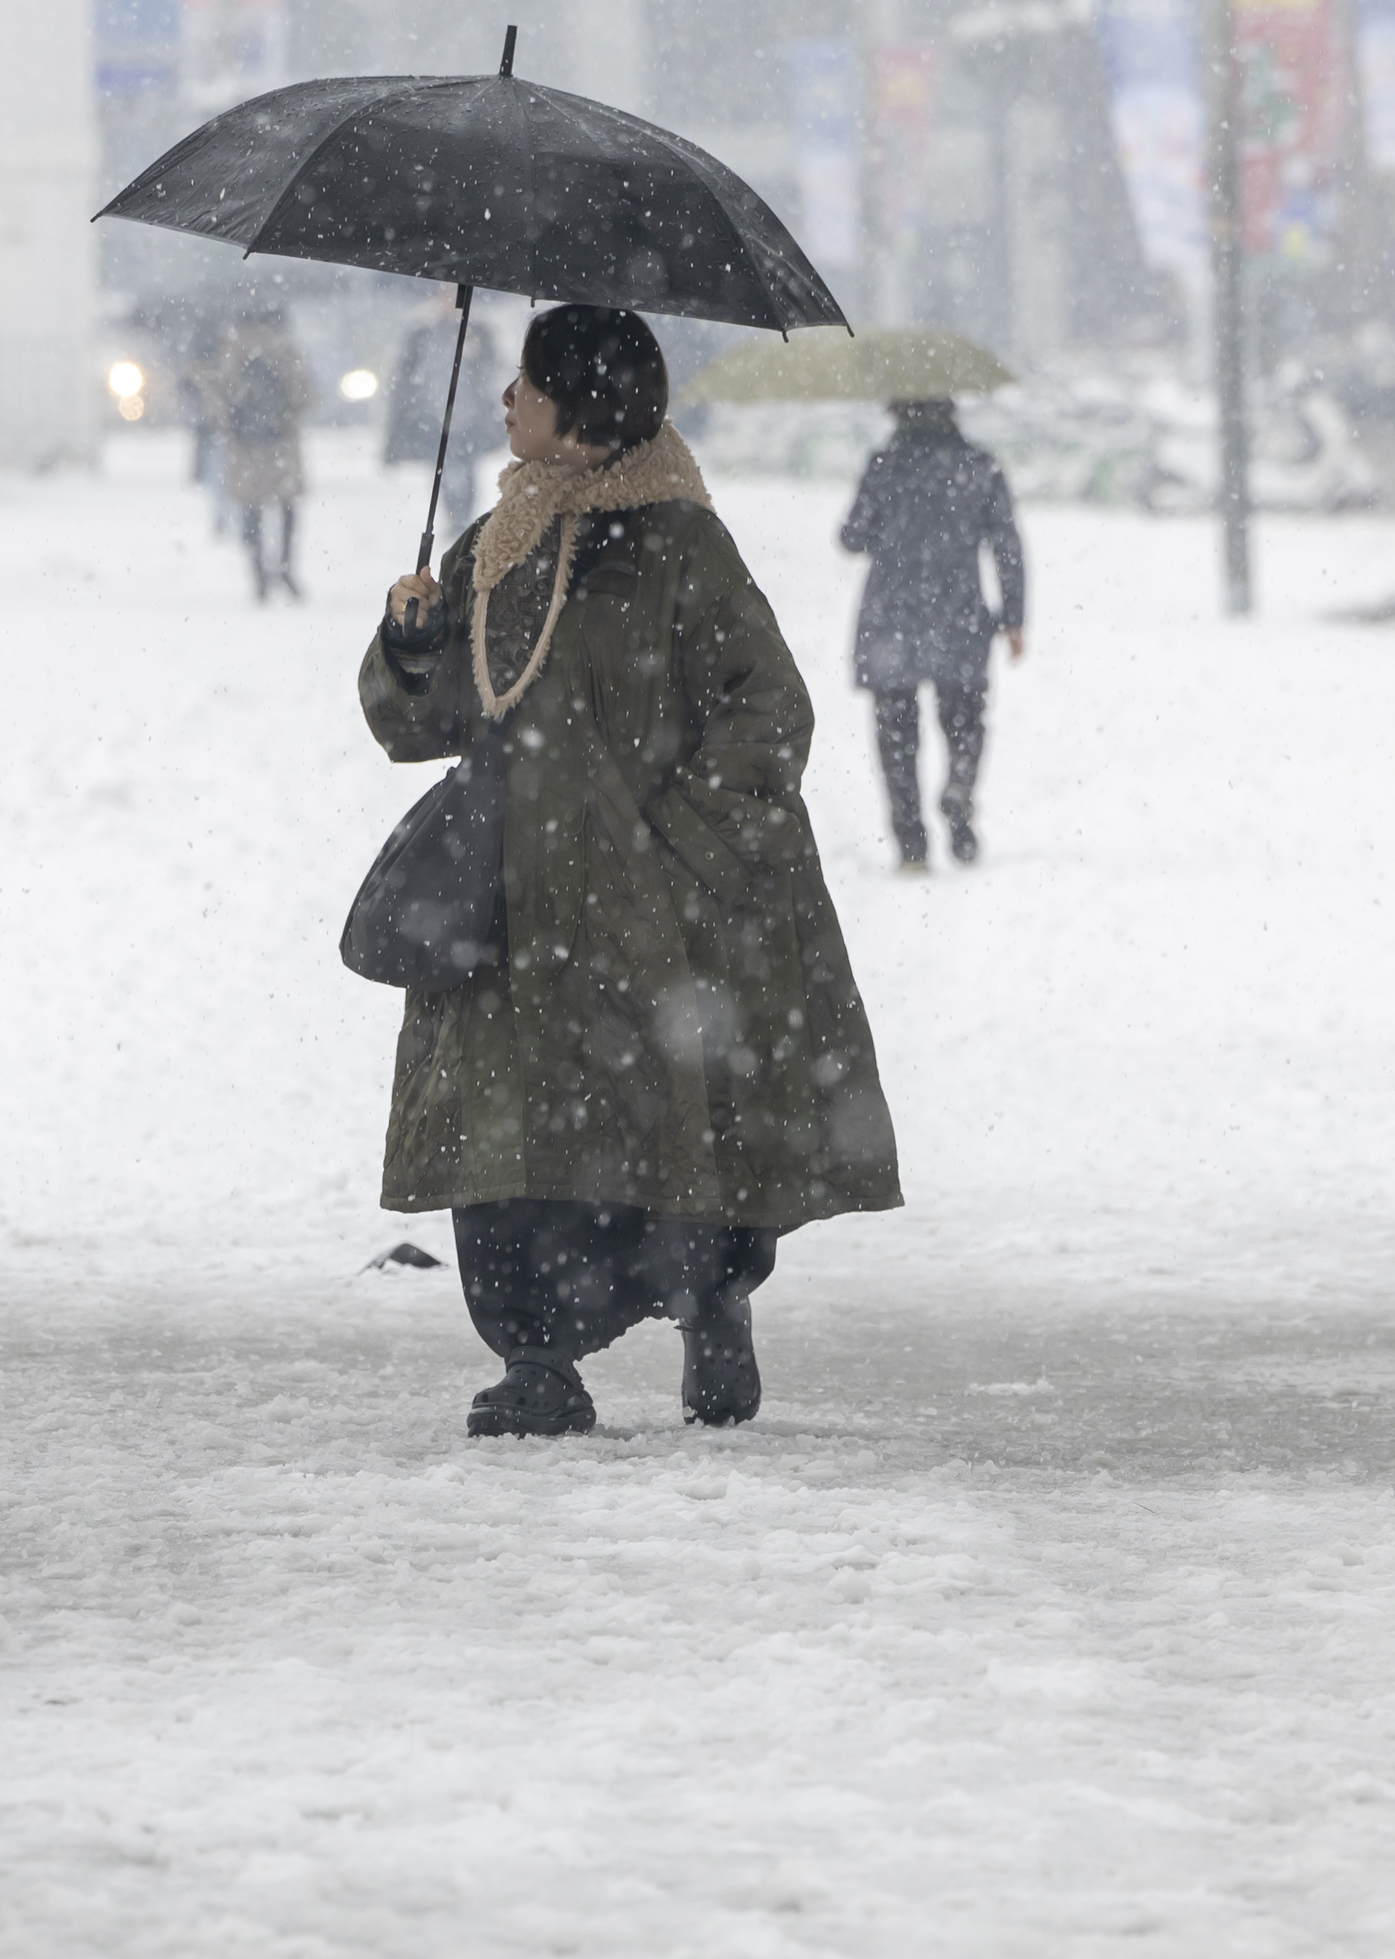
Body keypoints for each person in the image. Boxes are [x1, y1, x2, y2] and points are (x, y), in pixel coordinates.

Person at [366, 303, 902, 1437]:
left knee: (658, 1128)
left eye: (530, 386)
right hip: (508, 904)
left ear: (580, 413)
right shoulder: (497, 542)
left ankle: (710, 1300)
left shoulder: (680, 544)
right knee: (502, 1135)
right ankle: (535, 1360)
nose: (508, 403)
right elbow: (428, 722)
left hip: (648, 915)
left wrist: (679, 849)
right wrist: (413, 640)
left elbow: (769, 714)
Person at [840, 396, 1029, 870]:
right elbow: (1006, 542)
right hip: (958, 613)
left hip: (892, 616)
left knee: (896, 735)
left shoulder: (884, 465)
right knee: (965, 721)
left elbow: (853, 537)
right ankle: (959, 793)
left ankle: (911, 843)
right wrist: (1013, 617)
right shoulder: (978, 465)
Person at [213, 302, 311, 603]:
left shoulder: (231, 351)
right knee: (286, 507)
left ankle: (258, 574)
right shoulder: (284, 349)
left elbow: (218, 400)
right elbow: (305, 395)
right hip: (280, 444)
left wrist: (230, 424)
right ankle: (285, 566)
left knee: (251, 510)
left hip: (245, 448)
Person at [383, 292, 499, 528]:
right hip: (434, 414)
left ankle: (463, 516)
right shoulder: (422, 332)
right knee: (442, 468)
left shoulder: (476, 331)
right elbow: (407, 375)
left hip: (468, 415)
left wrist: (477, 354)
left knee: (465, 468)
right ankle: (452, 515)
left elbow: (490, 369)